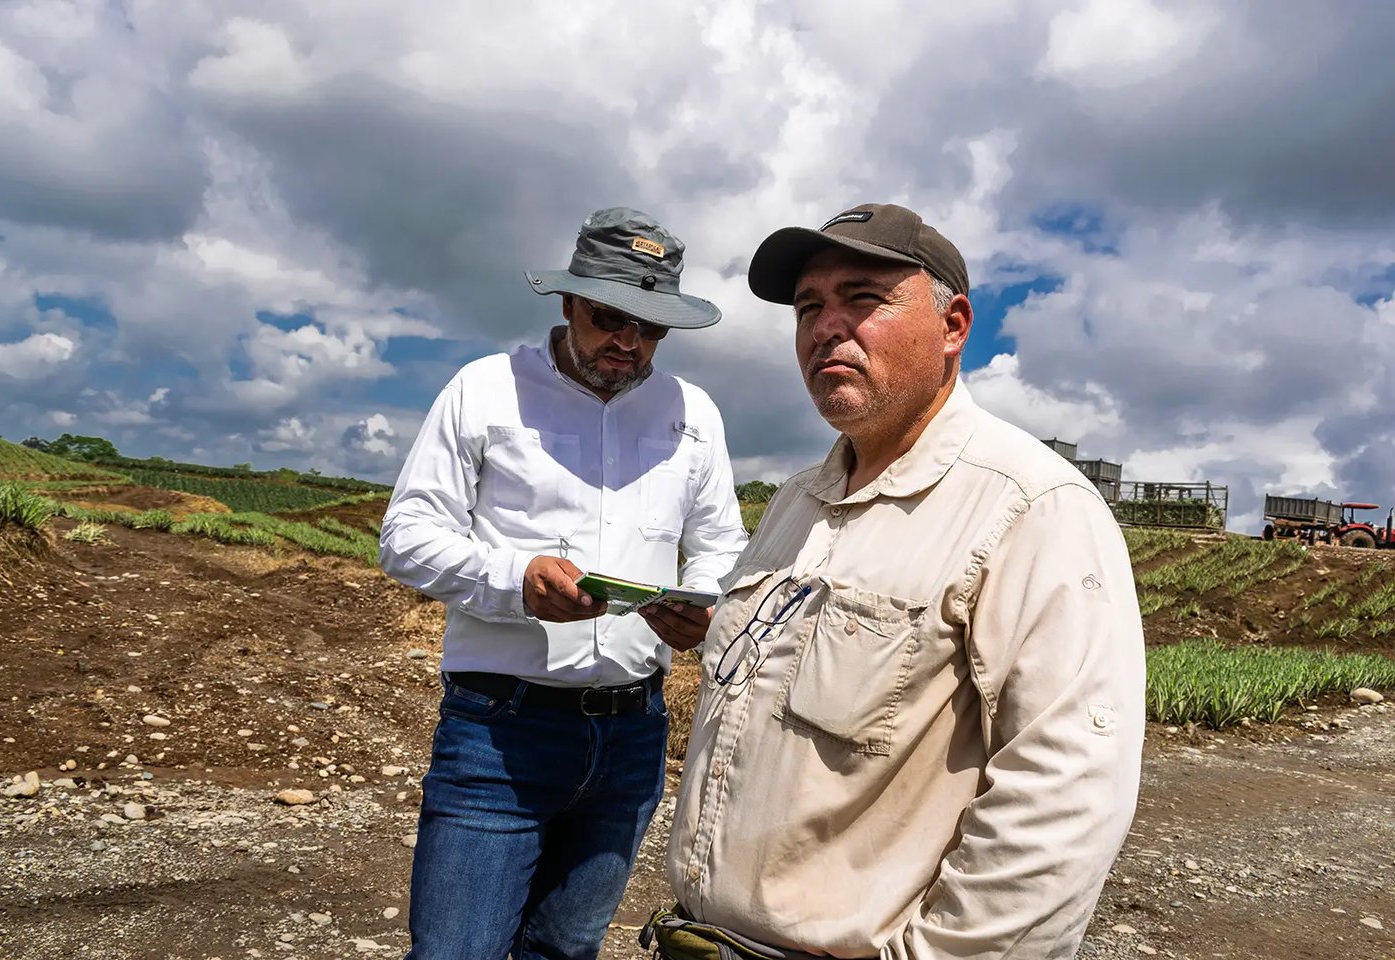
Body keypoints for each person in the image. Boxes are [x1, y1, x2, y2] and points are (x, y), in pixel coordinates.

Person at [660, 204, 1145, 959]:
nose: (826, 328)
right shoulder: (795, 501)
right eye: (808, 307)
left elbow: (1066, 800)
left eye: (863, 298)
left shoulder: (1031, 507)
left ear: (953, 326)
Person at [381, 207, 748, 960]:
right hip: (499, 732)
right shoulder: (485, 390)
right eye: (610, 318)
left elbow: (721, 545)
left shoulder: (694, 414)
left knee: (565, 951)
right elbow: (408, 536)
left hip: (634, 736)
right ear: (569, 301)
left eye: (651, 327)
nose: (629, 342)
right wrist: (515, 580)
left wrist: (705, 606)